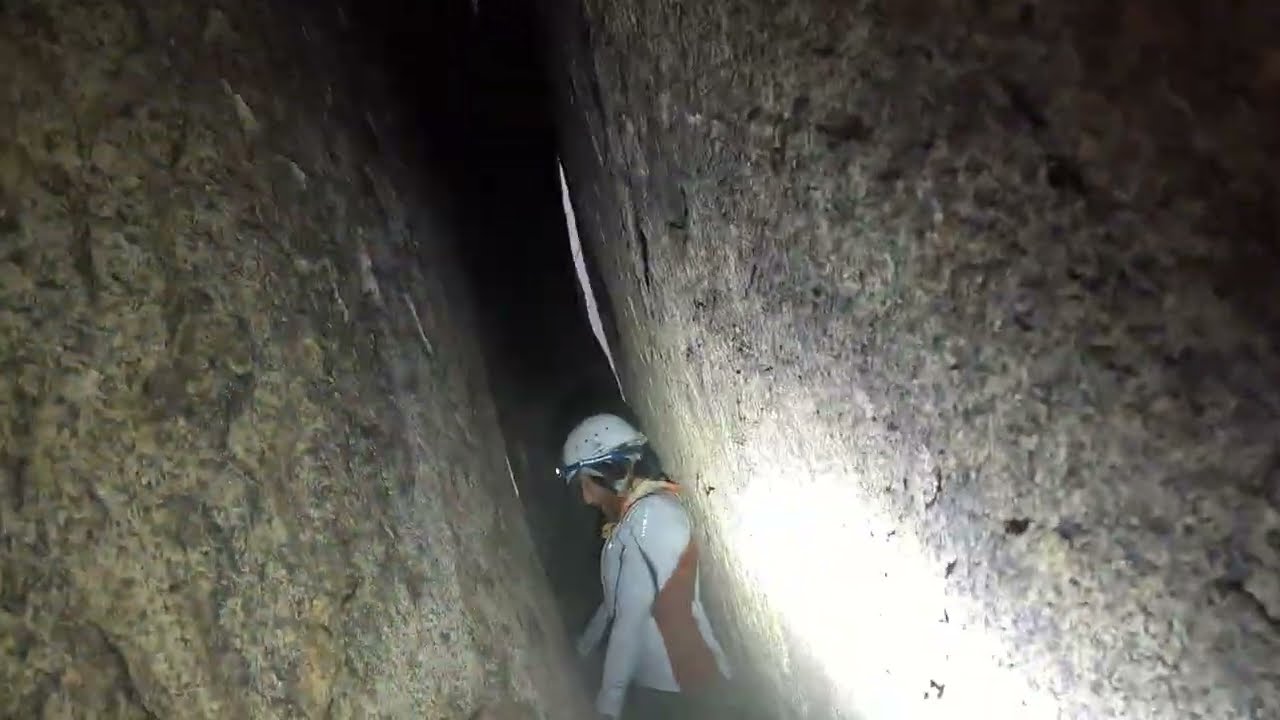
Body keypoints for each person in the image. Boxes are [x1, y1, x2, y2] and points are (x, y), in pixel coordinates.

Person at [557, 413, 733, 720]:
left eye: (585, 484)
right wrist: (582, 648)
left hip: (687, 687)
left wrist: (607, 707)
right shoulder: (636, 517)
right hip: (665, 686)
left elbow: (629, 620)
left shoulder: (651, 520)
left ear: (609, 471)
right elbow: (615, 602)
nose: (585, 498)